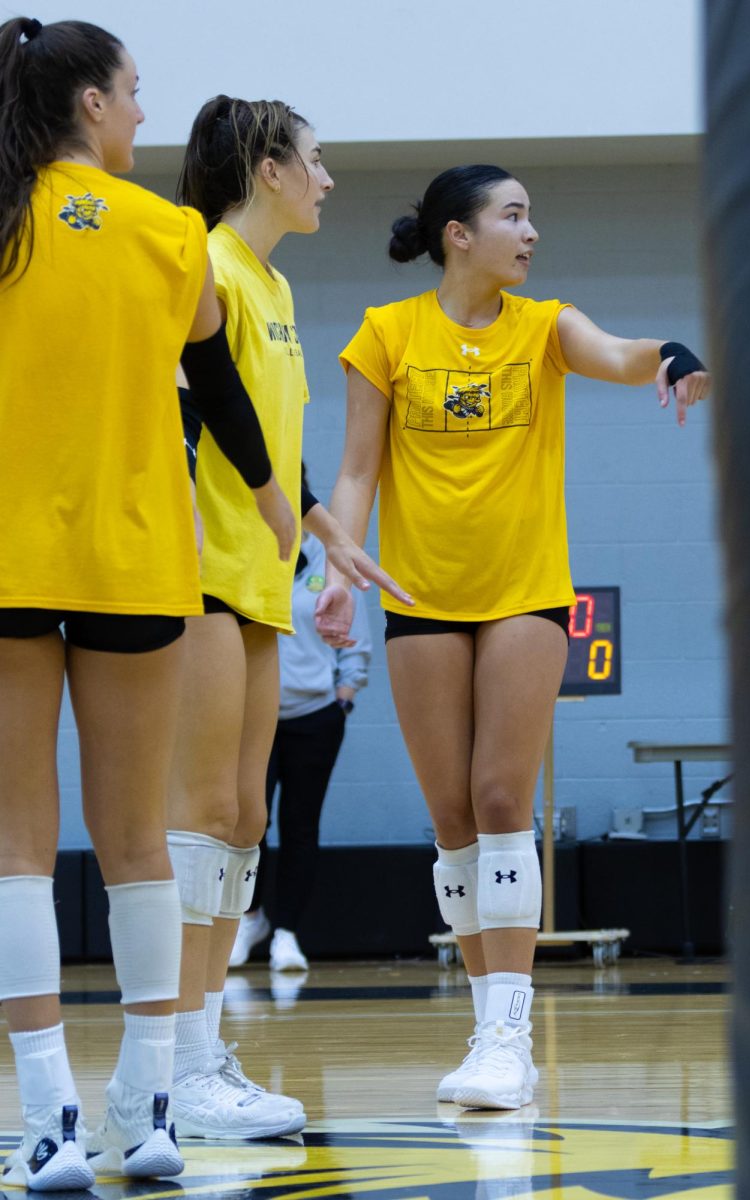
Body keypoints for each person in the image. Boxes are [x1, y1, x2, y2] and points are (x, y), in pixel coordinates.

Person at [321, 164, 710, 1111]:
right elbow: (358, 475)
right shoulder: (386, 334)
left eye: (530, 216)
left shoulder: (546, 326)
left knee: (501, 794)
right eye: (513, 216)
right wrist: (338, 570)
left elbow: (619, 353)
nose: (531, 233)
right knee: (451, 816)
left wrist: (672, 356)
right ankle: (483, 1015)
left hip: (525, 595)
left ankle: (508, 1033)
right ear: (460, 234)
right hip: (419, 598)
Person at [0, 17, 296, 1192]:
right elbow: (217, 385)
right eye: (131, 95)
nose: (139, 114)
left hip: (12, 556)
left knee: (19, 852)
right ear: (88, 106)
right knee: (137, 850)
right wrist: (278, 499)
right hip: (137, 560)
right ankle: (155, 1113)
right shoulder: (173, 234)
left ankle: (45, 1125)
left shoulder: (7, 219)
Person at [166, 95, 411, 1141]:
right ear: (266, 168)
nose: (325, 178)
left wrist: (326, 532)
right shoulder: (207, 265)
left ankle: (204, 1048)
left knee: (243, 819)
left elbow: (263, 438)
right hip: (198, 575)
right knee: (199, 818)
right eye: (314, 161)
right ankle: (171, 1061)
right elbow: (182, 419)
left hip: (263, 581)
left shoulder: (270, 282)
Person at [231, 483, 372, 972]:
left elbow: (356, 642)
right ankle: (250, 919)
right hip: (254, 717)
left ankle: (287, 932)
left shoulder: (329, 561)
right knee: (249, 823)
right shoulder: (246, 551)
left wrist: (343, 700)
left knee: (300, 826)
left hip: (315, 716)